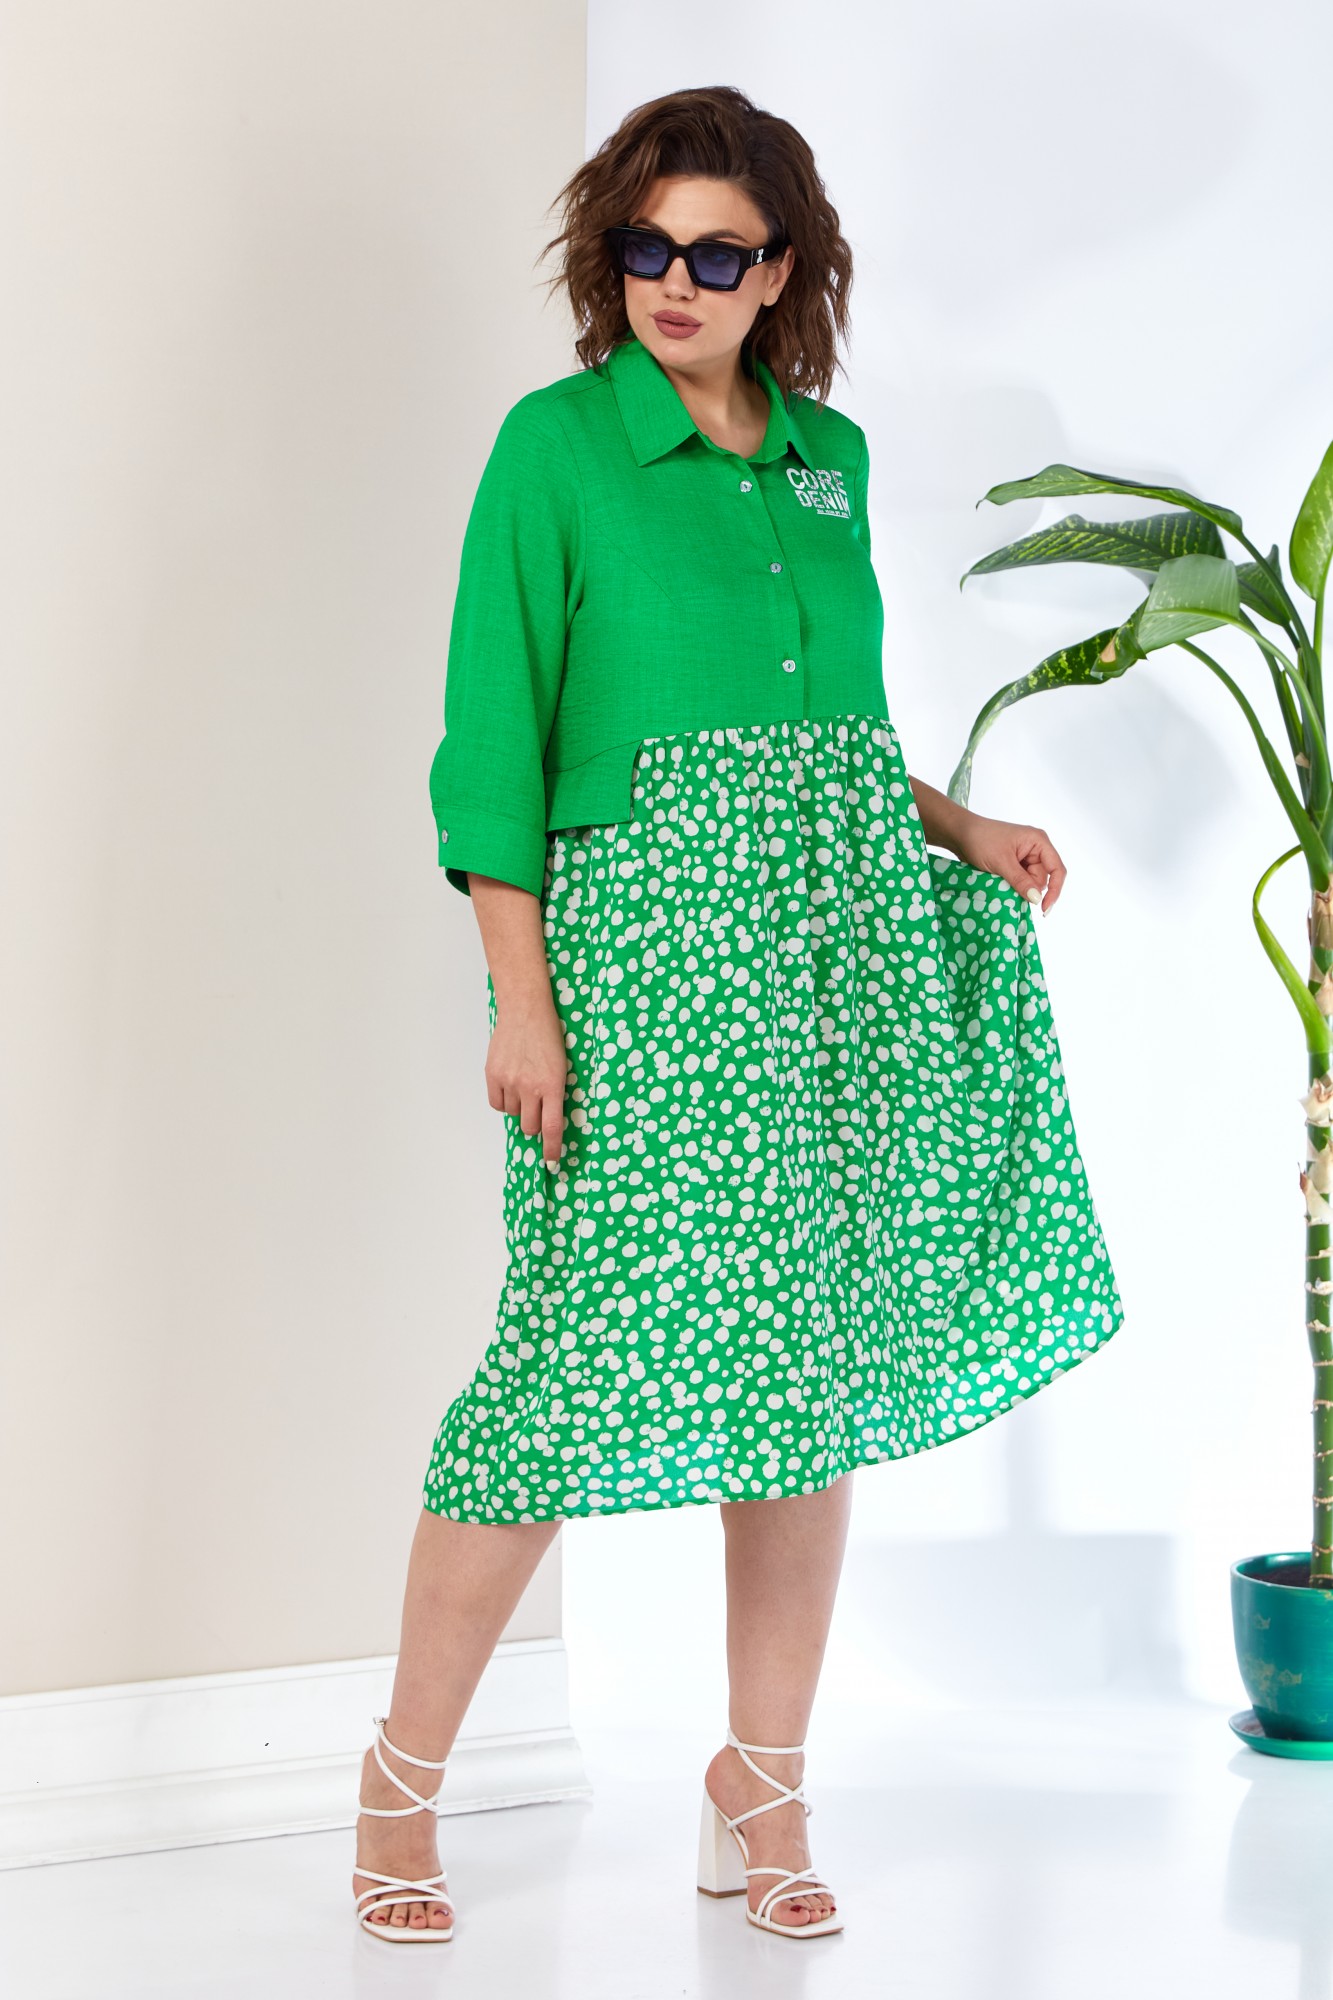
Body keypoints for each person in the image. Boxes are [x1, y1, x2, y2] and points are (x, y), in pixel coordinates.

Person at [351, 83, 1124, 1945]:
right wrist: (520, 1003)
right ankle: (397, 1781)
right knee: (559, 1376)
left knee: (807, 1380)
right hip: (649, 973)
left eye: (716, 254)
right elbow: (492, 751)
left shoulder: (826, 457)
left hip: (835, 959)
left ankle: (759, 1786)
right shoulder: (554, 448)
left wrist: (958, 825)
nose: (675, 284)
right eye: (644, 249)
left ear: (781, 271)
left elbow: (825, 727)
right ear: (605, 257)